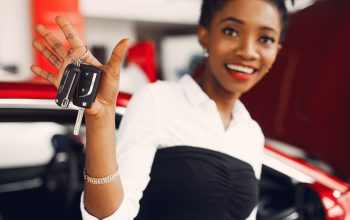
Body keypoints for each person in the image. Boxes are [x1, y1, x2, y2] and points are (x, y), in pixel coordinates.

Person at [31, 0, 289, 219]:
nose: (247, 51)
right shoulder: (158, 100)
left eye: (265, 39)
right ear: (205, 36)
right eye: (231, 31)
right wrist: (101, 117)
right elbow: (111, 216)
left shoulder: (251, 133)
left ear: (276, 51)